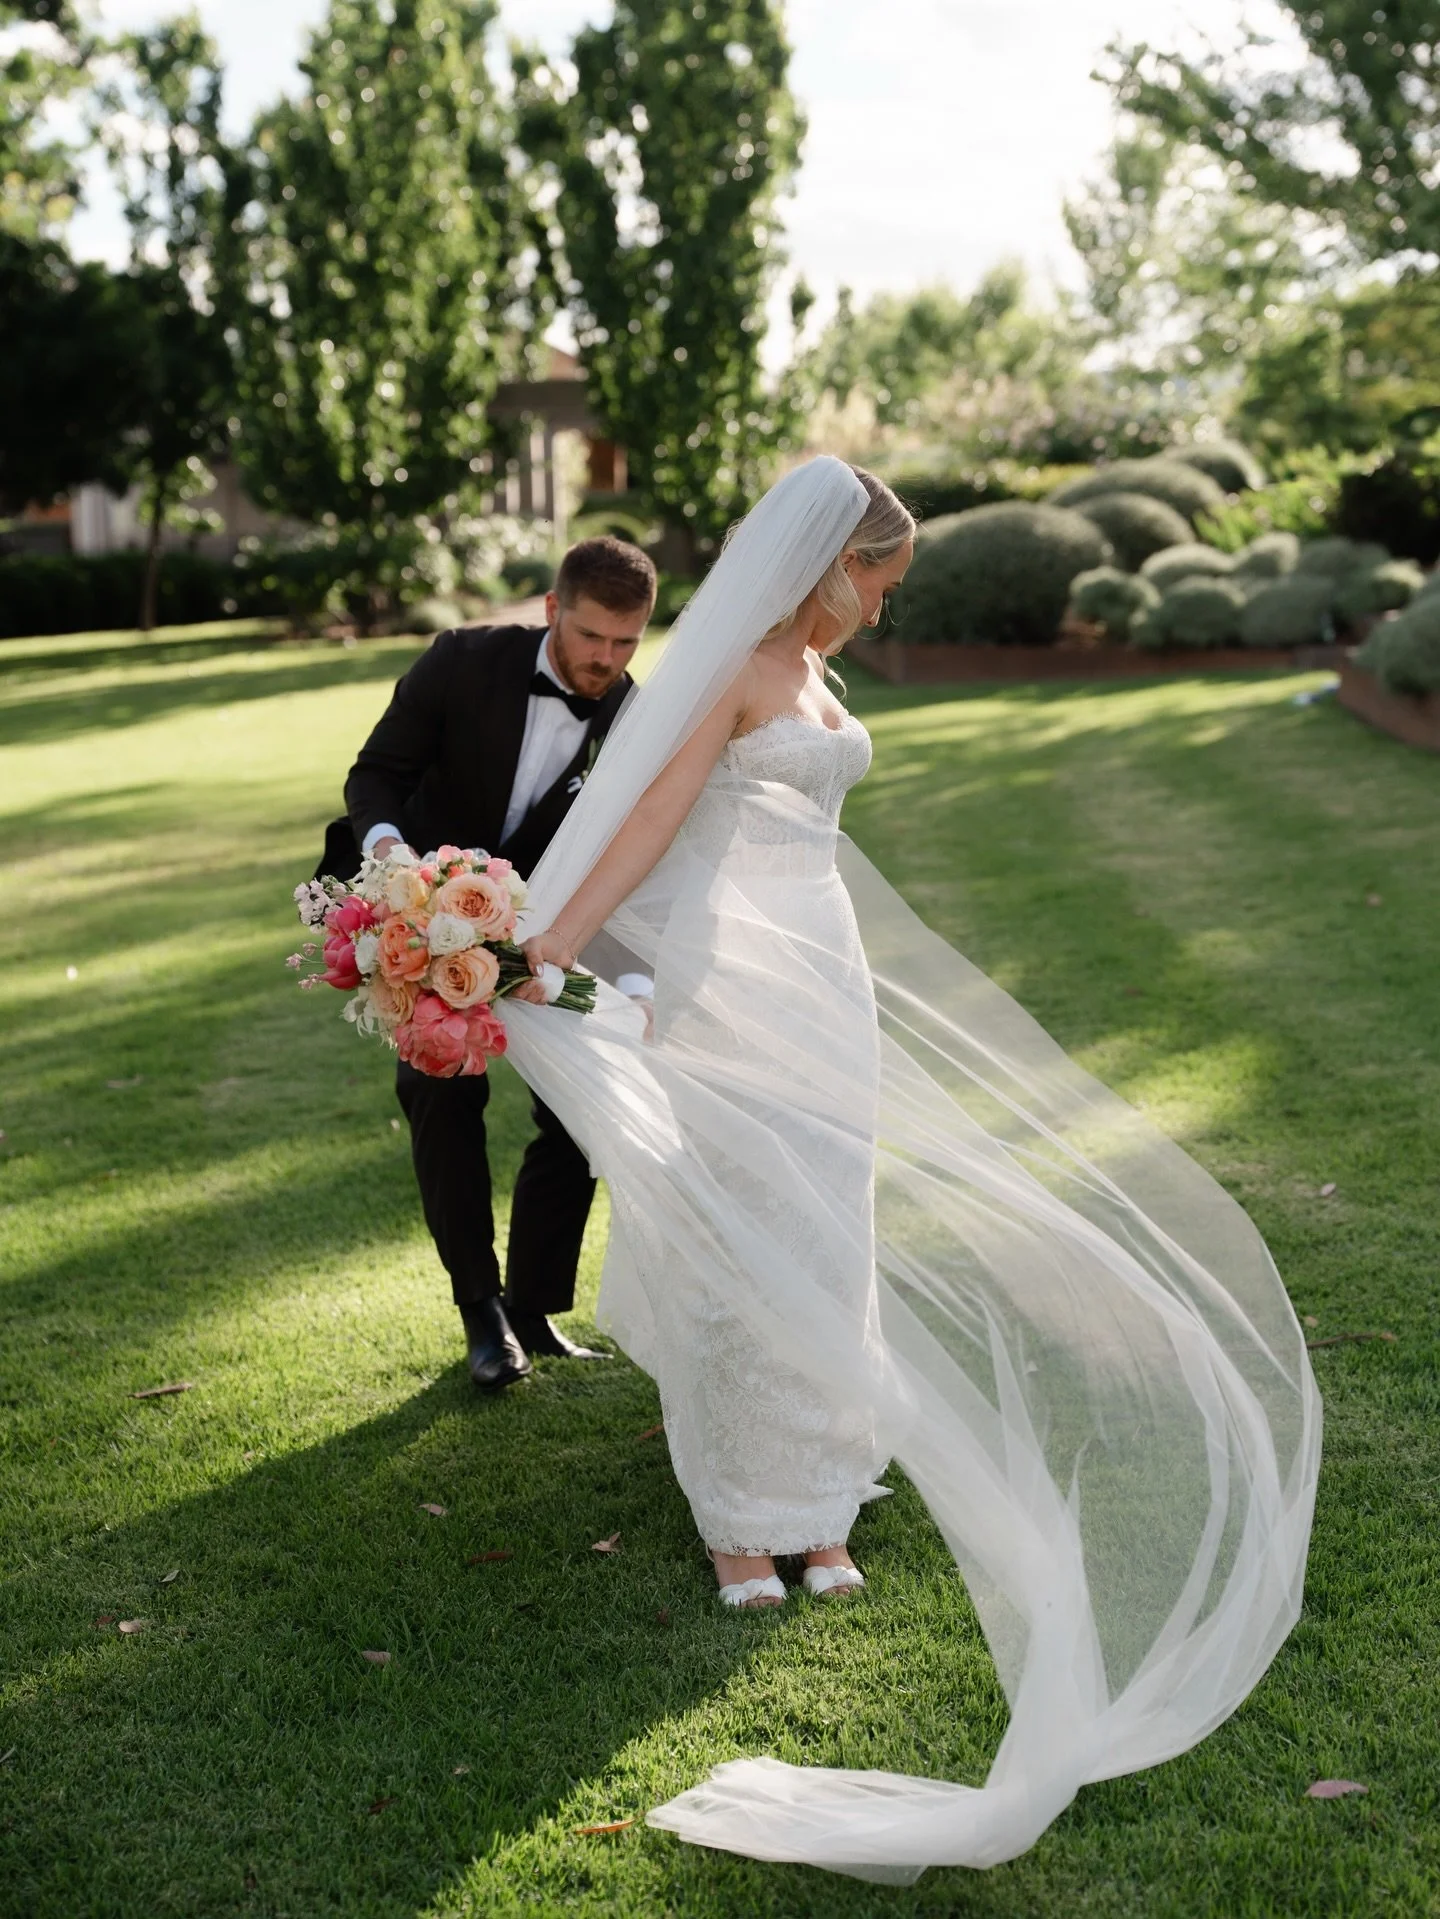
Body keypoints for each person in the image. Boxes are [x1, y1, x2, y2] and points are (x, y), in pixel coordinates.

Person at [489, 457, 1321, 1880]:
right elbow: (644, 822)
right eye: (879, 579)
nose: (881, 606)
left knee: (830, 1233)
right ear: (827, 563)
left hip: (830, 984)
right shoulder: (740, 675)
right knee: (758, 1233)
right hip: (739, 986)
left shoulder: (822, 685)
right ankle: (747, 1526)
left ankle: (821, 1493)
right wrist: (546, 942)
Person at [332, 536, 658, 1390]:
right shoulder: (461, 661)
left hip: (555, 933)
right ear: (552, 610)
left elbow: (635, 854)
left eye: (627, 644)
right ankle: (480, 1313)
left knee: (582, 1107)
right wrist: (397, 861)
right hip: (426, 918)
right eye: (592, 637)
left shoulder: (635, 718)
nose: (607, 660)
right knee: (442, 1097)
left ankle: (532, 1303)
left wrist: (635, 980)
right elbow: (376, 773)